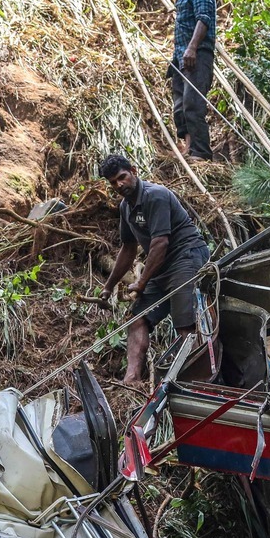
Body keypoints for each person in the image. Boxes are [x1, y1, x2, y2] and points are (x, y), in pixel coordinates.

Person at [95, 154, 210, 386]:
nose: (119, 185)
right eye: (113, 183)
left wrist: (141, 282)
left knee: (185, 323)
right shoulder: (126, 208)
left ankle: (193, 380)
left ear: (133, 171)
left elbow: (160, 243)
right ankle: (132, 379)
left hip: (185, 256)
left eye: (122, 178)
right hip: (161, 266)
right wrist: (108, 287)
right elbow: (128, 249)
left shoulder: (155, 195)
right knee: (137, 319)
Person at [170, 0, 216, 160]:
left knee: (193, 104)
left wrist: (192, 48)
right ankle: (189, 147)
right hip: (182, 56)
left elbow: (204, 18)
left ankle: (201, 152)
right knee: (180, 106)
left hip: (195, 56)